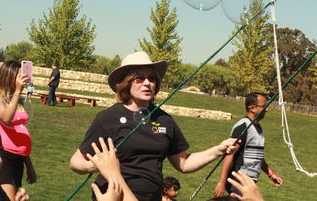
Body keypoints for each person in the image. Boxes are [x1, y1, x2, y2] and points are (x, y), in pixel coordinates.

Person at [70, 51, 239, 201]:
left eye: (151, 78)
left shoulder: (165, 120)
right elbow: (76, 161)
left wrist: (218, 150)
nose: (147, 83)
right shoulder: (108, 118)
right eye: (139, 78)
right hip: (113, 196)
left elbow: (184, 163)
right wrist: (94, 166)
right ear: (127, 82)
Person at [213, 92, 283, 198]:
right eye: (264, 106)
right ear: (252, 108)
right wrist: (221, 183)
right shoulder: (243, 126)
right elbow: (229, 155)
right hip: (238, 181)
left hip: (249, 182)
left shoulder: (259, 128)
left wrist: (271, 174)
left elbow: (257, 156)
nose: (267, 109)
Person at [0, 60, 36, 200]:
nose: (23, 78)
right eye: (19, 75)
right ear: (9, 76)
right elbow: (6, 117)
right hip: (4, 156)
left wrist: (29, 166)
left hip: (19, 159)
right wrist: (18, 90)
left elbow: (20, 133)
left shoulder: (17, 99)